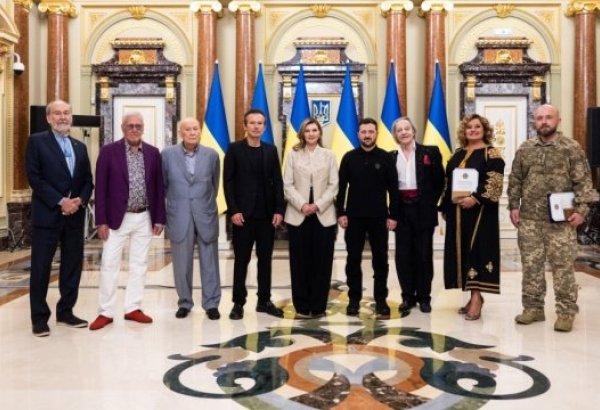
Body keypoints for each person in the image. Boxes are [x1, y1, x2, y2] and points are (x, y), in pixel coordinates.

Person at [508, 104, 598, 332]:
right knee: (531, 266)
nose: (544, 121)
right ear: (534, 121)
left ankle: (566, 312)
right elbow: (516, 178)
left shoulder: (571, 148)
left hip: (561, 221)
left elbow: (584, 182)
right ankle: (533, 308)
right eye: (539, 118)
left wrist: (581, 211)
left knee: (562, 267)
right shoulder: (526, 148)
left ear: (558, 120)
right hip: (530, 220)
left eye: (549, 117)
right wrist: (513, 205)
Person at [89, 112, 166, 330]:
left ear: (143, 128)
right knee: (109, 264)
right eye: (130, 126)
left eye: (138, 126)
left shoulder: (153, 152)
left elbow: (159, 188)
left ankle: (133, 307)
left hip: (144, 217)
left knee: (139, 264)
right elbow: (100, 187)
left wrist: (159, 218)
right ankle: (105, 311)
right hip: (116, 219)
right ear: (123, 128)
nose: (134, 129)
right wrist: (101, 220)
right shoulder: (108, 151)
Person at [25, 100, 94, 337]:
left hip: (74, 216)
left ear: (71, 116)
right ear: (48, 118)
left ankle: (66, 312)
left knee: (72, 266)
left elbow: (88, 180)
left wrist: (79, 201)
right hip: (47, 215)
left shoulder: (80, 146)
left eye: (66, 113)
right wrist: (61, 201)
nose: (62, 117)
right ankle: (39, 319)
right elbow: (35, 178)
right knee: (41, 267)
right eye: (57, 113)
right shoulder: (36, 142)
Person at [440, 114, 504, 321]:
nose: (473, 130)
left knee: (477, 252)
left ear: (484, 130)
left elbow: (494, 184)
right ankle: (472, 296)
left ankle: (477, 298)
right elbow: (448, 182)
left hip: (480, 213)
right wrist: (445, 207)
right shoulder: (457, 154)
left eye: (477, 127)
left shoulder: (491, 154)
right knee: (462, 254)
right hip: (457, 212)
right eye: (469, 127)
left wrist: (475, 199)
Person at [223, 108, 285, 320]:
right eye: (252, 123)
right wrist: (233, 210)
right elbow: (228, 182)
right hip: (243, 216)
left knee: (265, 260)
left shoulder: (271, 150)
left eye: (260, 123)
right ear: (245, 126)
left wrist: (279, 209)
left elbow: (278, 181)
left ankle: (264, 301)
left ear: (264, 127)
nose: (256, 126)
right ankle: (238, 303)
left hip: (267, 216)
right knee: (241, 260)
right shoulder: (234, 149)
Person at [336, 117, 399, 318]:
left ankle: (381, 300)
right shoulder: (349, 157)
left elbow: (394, 189)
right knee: (353, 260)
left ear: (376, 134)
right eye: (363, 132)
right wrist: (341, 213)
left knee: (380, 260)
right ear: (358, 135)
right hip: (354, 217)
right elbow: (341, 188)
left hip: (379, 217)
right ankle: (354, 300)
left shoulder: (386, 158)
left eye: (371, 132)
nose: (367, 135)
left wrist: (393, 215)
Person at [162, 117, 221, 320]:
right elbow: (163, 185)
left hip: (205, 214)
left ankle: (211, 303)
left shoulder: (212, 155)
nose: (192, 132)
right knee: (181, 263)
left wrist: (203, 204)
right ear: (180, 133)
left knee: (210, 262)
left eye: (195, 128)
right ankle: (185, 302)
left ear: (200, 131)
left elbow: (215, 184)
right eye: (188, 129)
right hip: (179, 216)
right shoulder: (167, 155)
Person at [283, 118, 338, 319]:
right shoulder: (293, 154)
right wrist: (303, 205)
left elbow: (334, 185)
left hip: (323, 214)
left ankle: (318, 305)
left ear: (320, 133)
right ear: (302, 134)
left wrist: (317, 205)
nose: (311, 134)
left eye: (315, 130)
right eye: (307, 131)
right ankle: (302, 306)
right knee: (299, 261)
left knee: (322, 262)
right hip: (298, 214)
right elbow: (287, 185)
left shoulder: (329, 155)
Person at [390, 117, 445, 317]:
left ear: (413, 131)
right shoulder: (391, 156)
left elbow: (440, 181)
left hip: (423, 210)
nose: (404, 132)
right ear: (395, 135)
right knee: (403, 256)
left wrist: (429, 203)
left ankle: (424, 297)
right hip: (401, 211)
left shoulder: (430, 152)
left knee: (423, 255)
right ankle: (407, 296)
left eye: (407, 128)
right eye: (399, 130)